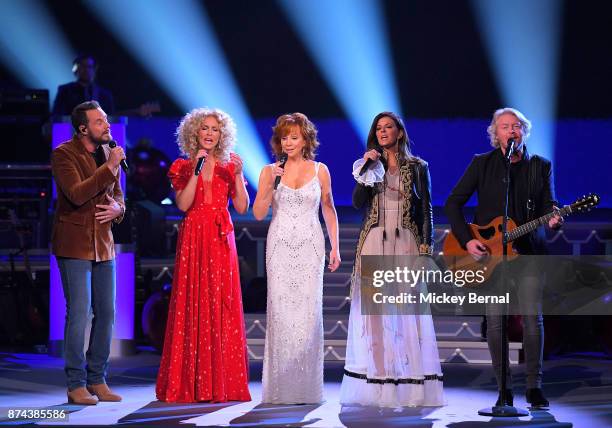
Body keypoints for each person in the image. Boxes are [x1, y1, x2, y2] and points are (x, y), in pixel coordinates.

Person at [444, 107, 563, 408]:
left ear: (524, 132)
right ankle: (504, 389)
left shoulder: (541, 166)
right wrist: (468, 241)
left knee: (532, 320)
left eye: (517, 126)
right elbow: (453, 203)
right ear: (495, 134)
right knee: (496, 322)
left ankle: (535, 387)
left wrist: (553, 219)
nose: (511, 131)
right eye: (505, 126)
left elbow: (549, 205)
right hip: (491, 257)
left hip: (528, 254)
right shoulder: (482, 164)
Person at [340, 111, 444, 408]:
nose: (383, 132)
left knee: (407, 313)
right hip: (374, 242)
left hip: (406, 243)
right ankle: (379, 382)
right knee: (374, 316)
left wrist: (426, 250)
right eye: (379, 128)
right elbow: (358, 202)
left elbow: (427, 211)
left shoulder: (418, 167)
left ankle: (410, 385)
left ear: (399, 132)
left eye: (389, 127)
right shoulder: (370, 166)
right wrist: (368, 166)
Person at [156, 107, 251, 403]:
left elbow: (243, 206)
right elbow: (183, 205)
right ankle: (191, 383)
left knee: (221, 303)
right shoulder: (182, 166)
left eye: (215, 129)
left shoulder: (229, 165)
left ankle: (222, 382)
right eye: (205, 128)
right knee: (192, 301)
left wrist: (236, 176)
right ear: (194, 132)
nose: (210, 134)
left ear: (222, 135)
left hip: (221, 237)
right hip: (194, 236)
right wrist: (195, 171)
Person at [253, 112, 341, 404]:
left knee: (307, 314)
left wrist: (335, 247)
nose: (288, 142)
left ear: (306, 139)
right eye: (283, 137)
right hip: (279, 245)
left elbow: (328, 208)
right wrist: (269, 186)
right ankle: (279, 389)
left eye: (294, 137)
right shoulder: (269, 170)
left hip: (310, 245)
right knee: (280, 313)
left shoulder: (320, 170)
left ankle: (306, 389)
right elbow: (258, 213)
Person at [51, 100, 126, 405]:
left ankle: (98, 379)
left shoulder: (109, 153)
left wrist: (119, 209)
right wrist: (108, 168)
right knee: (79, 314)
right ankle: (75, 383)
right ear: (83, 128)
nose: (106, 125)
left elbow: (119, 196)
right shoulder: (63, 154)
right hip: (74, 243)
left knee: (107, 313)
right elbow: (77, 193)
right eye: (99, 122)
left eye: (106, 120)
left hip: (103, 244)